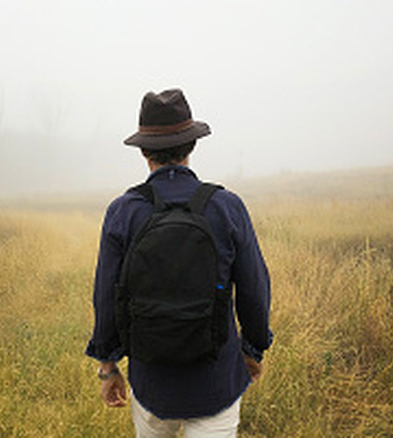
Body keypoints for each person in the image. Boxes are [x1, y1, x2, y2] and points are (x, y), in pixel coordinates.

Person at [85, 88, 273, 437]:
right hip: (217, 380)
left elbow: (106, 294)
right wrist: (253, 349)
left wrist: (109, 367)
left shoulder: (123, 211)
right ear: (192, 145)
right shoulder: (226, 206)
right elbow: (254, 288)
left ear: (143, 150)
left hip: (152, 383)